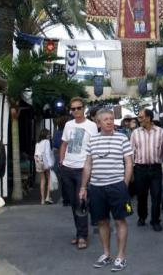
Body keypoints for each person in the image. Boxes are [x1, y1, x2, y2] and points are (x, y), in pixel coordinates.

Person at [79, 108, 134, 272]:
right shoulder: (92, 140)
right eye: (106, 119)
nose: (110, 121)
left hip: (117, 186)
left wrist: (124, 184)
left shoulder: (122, 138)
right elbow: (88, 164)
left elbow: (129, 162)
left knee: (120, 221)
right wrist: (83, 186)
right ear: (98, 123)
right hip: (97, 187)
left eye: (111, 118)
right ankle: (106, 254)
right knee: (102, 221)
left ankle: (121, 256)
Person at [60, 97, 97, 250]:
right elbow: (64, 144)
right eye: (73, 108)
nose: (76, 111)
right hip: (68, 168)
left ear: (84, 108)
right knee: (73, 203)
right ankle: (79, 232)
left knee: (81, 202)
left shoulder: (92, 126)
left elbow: (95, 146)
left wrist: (92, 167)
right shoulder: (68, 125)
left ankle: (82, 235)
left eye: (78, 108)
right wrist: (61, 162)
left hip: (82, 169)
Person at [130, 108, 163, 231]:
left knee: (156, 196)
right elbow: (131, 153)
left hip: (155, 169)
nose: (139, 120)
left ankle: (155, 221)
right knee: (141, 196)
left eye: (141, 117)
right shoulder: (135, 133)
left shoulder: (160, 132)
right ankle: (142, 217)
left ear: (149, 118)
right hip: (140, 169)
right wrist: (131, 171)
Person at [34, 128, 55, 205]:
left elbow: (36, 153)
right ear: (45, 135)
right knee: (49, 179)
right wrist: (50, 164)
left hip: (38, 160)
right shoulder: (47, 141)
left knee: (42, 180)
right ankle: (47, 197)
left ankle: (42, 200)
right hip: (45, 161)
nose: (49, 135)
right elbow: (47, 153)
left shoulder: (37, 143)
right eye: (48, 134)